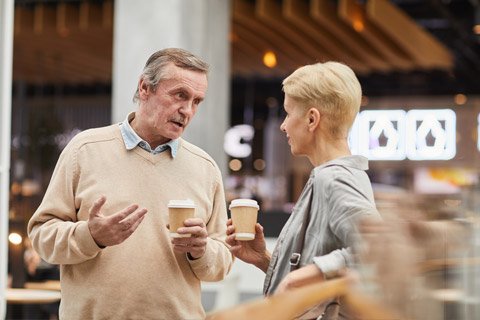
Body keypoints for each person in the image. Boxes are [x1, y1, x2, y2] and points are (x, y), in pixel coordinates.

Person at [28, 48, 233, 319]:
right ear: (145, 87)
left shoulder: (204, 168)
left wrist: (201, 250)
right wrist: (91, 236)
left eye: (197, 101)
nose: (187, 110)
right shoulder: (85, 150)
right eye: (180, 95)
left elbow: (222, 262)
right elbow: (42, 237)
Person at [226, 62, 380, 319]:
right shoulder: (333, 176)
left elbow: (377, 251)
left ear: (311, 119)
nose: (283, 125)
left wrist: (308, 275)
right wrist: (264, 258)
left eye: (288, 113)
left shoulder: (335, 180)